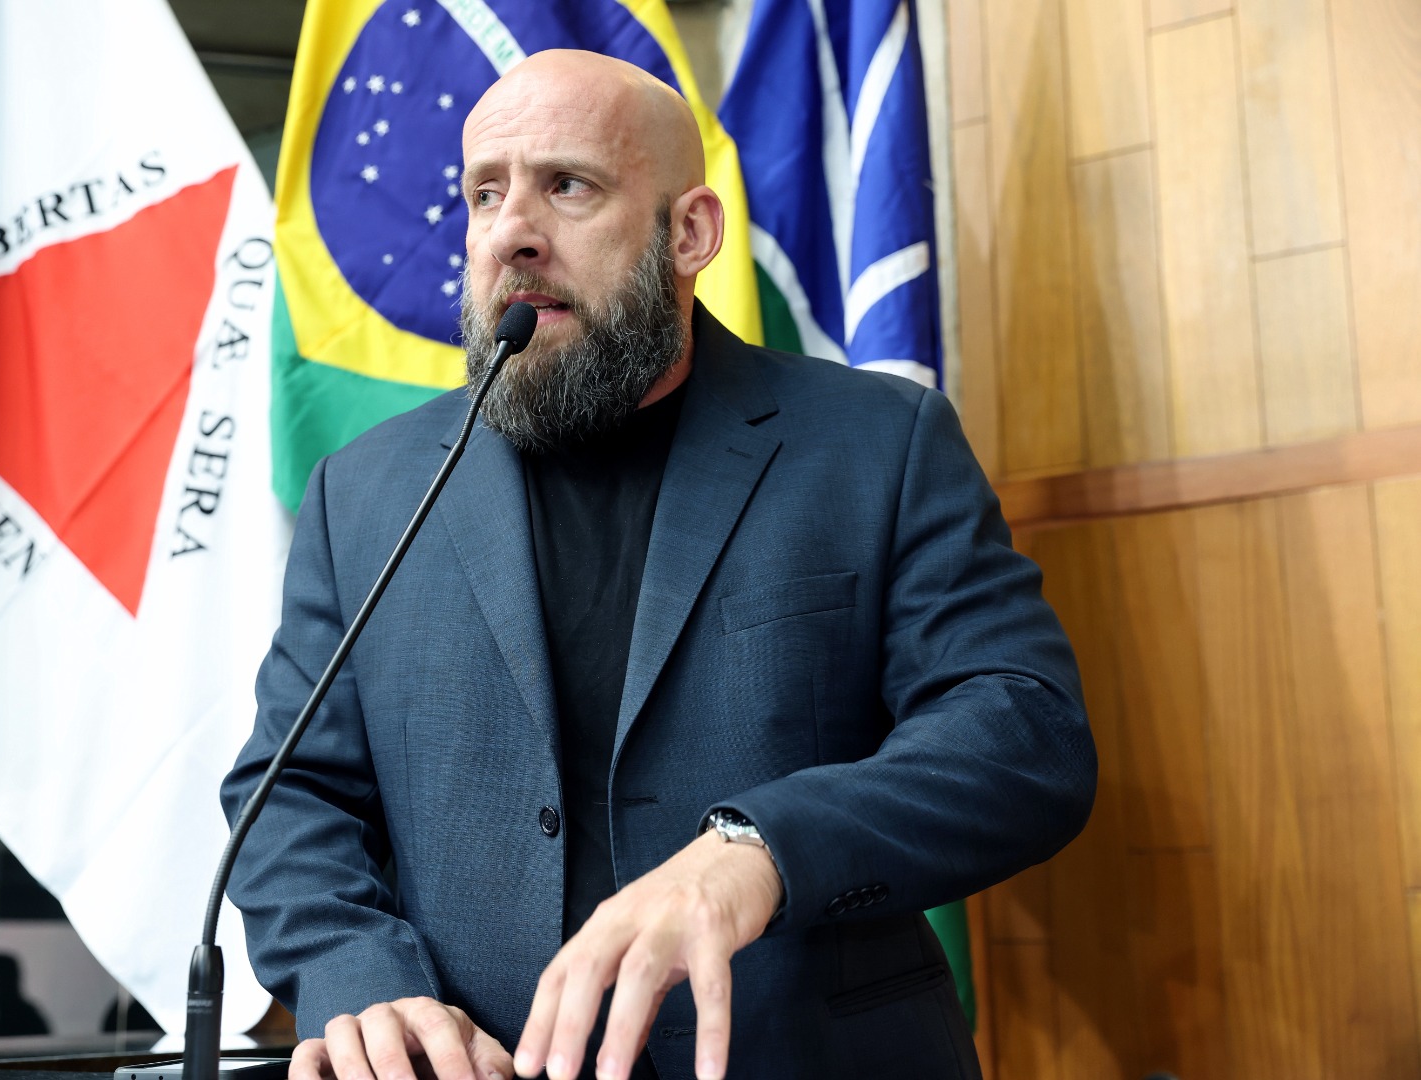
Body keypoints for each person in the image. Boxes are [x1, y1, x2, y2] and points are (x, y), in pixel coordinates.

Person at [222, 50, 1094, 1080]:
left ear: (691, 233)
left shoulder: (879, 444)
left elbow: (1021, 734)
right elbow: (290, 795)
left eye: (568, 185)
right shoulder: (365, 492)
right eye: (485, 194)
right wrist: (361, 976)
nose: (512, 232)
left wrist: (761, 852)